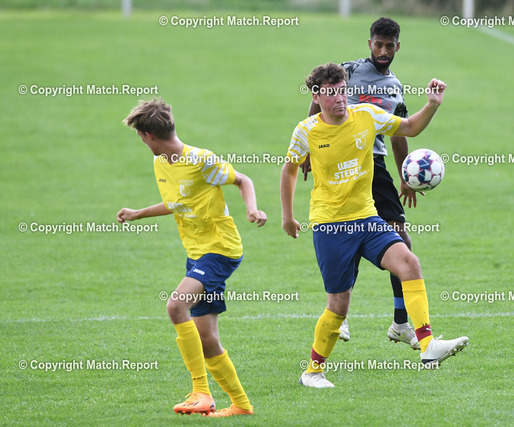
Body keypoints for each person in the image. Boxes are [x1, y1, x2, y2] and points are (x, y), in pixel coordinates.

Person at [281, 63, 468, 388]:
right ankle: (312, 371)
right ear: (316, 97)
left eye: (342, 91)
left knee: (409, 262)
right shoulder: (306, 131)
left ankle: (427, 345)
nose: (339, 99)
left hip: (367, 219)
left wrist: (432, 104)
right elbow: (289, 169)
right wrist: (287, 216)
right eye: (330, 93)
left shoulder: (366, 116)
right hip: (330, 226)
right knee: (338, 306)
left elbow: (409, 127)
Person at [118, 98, 266, 416]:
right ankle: (241, 406)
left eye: (140, 137)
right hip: (197, 255)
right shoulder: (161, 163)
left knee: (175, 306)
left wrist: (252, 209)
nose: (142, 142)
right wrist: (138, 213)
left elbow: (243, 180)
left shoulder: (201, 160)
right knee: (207, 338)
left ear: (148, 135)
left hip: (220, 250)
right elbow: (177, 202)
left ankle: (201, 392)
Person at [301, 17, 420, 349]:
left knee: (400, 237)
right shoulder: (349, 71)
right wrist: (309, 146)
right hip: (342, 160)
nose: (383, 51)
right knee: (348, 232)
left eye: (389, 46)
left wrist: (405, 176)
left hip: (374, 165)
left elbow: (398, 133)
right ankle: (340, 314)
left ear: (397, 47)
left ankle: (400, 322)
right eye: (378, 44)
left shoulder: (395, 87)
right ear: (370, 43)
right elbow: (318, 99)